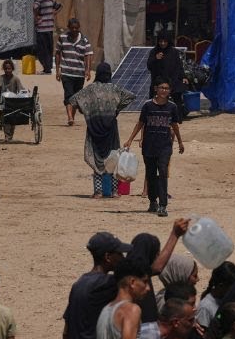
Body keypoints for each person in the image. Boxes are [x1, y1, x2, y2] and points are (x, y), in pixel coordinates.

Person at [69, 62, 137, 198]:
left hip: (94, 129)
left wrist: (85, 111)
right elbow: (131, 96)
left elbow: (72, 100)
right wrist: (116, 109)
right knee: (113, 159)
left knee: (96, 159)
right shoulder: (114, 88)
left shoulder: (90, 89)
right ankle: (114, 191)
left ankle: (98, 191)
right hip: (111, 128)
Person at [125, 81, 185, 217]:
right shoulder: (148, 106)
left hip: (165, 146)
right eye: (161, 88)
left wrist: (180, 142)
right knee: (151, 175)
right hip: (149, 146)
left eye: (167, 88)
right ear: (156, 89)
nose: (164, 90)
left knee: (163, 172)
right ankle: (153, 201)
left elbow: (175, 125)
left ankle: (163, 205)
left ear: (169, 90)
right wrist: (130, 139)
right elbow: (141, 123)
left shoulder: (172, 107)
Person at [56, 17, 93, 126]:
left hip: (79, 73)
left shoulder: (84, 40)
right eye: (72, 28)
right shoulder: (62, 38)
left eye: (76, 28)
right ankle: (70, 117)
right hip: (66, 72)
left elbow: (88, 55)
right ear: (68, 28)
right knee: (68, 95)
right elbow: (58, 53)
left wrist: (88, 70)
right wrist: (58, 70)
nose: (74, 30)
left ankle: (73, 115)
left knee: (76, 97)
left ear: (79, 28)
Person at [197, 261, 235, 331]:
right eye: (232, 288)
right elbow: (202, 334)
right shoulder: (205, 307)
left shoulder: (228, 299)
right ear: (221, 286)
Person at [146, 34, 186, 104]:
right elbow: (149, 66)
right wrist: (156, 59)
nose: (163, 43)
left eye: (165, 41)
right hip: (158, 81)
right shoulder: (154, 52)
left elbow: (179, 65)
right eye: (161, 41)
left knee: (177, 101)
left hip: (173, 81)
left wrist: (183, 77)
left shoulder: (174, 52)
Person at [33, 0, 60, 74]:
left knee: (42, 49)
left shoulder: (39, 0)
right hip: (50, 28)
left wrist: (36, 17)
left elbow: (35, 8)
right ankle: (48, 68)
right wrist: (54, 13)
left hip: (41, 29)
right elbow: (60, 6)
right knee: (49, 49)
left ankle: (46, 69)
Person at [0, 59, 25, 141]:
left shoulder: (16, 79)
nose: (7, 70)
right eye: (6, 69)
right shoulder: (1, 78)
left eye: (9, 69)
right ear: (4, 69)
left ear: (12, 69)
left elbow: (21, 89)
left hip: (13, 101)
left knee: (12, 120)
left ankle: (10, 135)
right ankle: (7, 135)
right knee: (6, 118)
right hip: (4, 101)